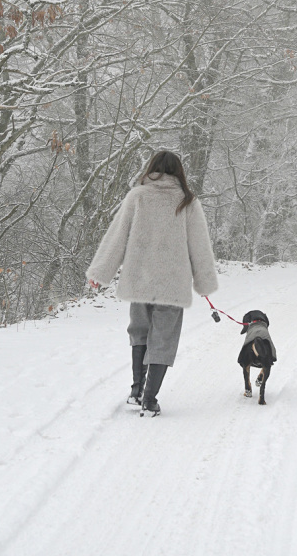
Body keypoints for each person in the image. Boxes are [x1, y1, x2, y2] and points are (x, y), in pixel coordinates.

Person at [86, 149, 219, 415]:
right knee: (163, 339)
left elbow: (117, 237)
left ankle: (136, 391)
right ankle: (149, 399)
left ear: (152, 169)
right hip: (172, 285)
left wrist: (100, 273)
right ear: (179, 171)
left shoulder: (137, 196)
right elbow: (200, 248)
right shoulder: (188, 202)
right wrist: (204, 284)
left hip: (140, 280)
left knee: (140, 332)